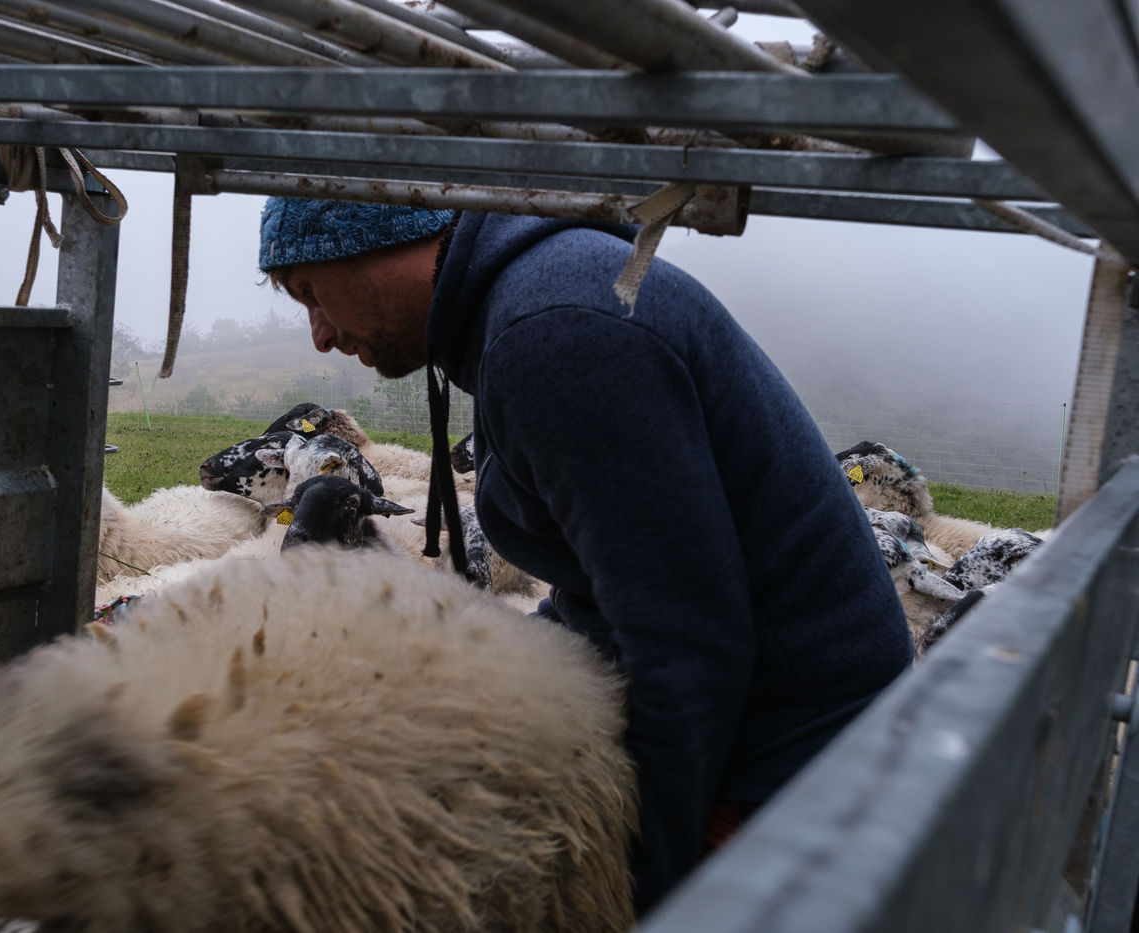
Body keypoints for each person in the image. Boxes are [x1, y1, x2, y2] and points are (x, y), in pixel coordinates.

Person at [257, 198, 912, 915]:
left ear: (375, 232)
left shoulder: (553, 331)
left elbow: (688, 643)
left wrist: (640, 894)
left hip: (784, 766)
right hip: (766, 723)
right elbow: (619, 586)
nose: (320, 334)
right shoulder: (534, 297)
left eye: (311, 292)